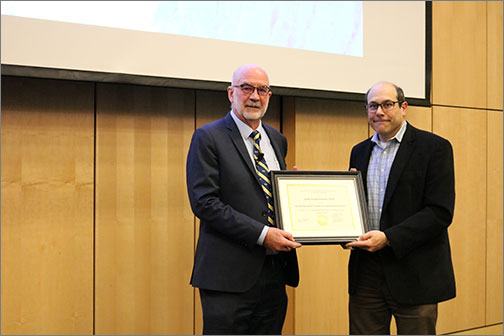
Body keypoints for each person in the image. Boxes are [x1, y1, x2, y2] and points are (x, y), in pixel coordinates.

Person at [186, 64, 301, 335]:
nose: (254, 96)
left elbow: (265, 198)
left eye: (262, 90)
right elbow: (205, 202)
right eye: (246, 88)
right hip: (228, 276)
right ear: (231, 93)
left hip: (274, 272)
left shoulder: (276, 139)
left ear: (269, 96)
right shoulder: (208, 137)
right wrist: (263, 234)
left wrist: (292, 190)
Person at [345, 81, 456, 335]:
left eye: (387, 104)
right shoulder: (359, 152)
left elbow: (439, 212)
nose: (380, 111)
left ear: (403, 107)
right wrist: (344, 231)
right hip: (366, 274)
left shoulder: (434, 148)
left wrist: (388, 238)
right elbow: (353, 206)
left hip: (415, 272)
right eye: (373, 106)